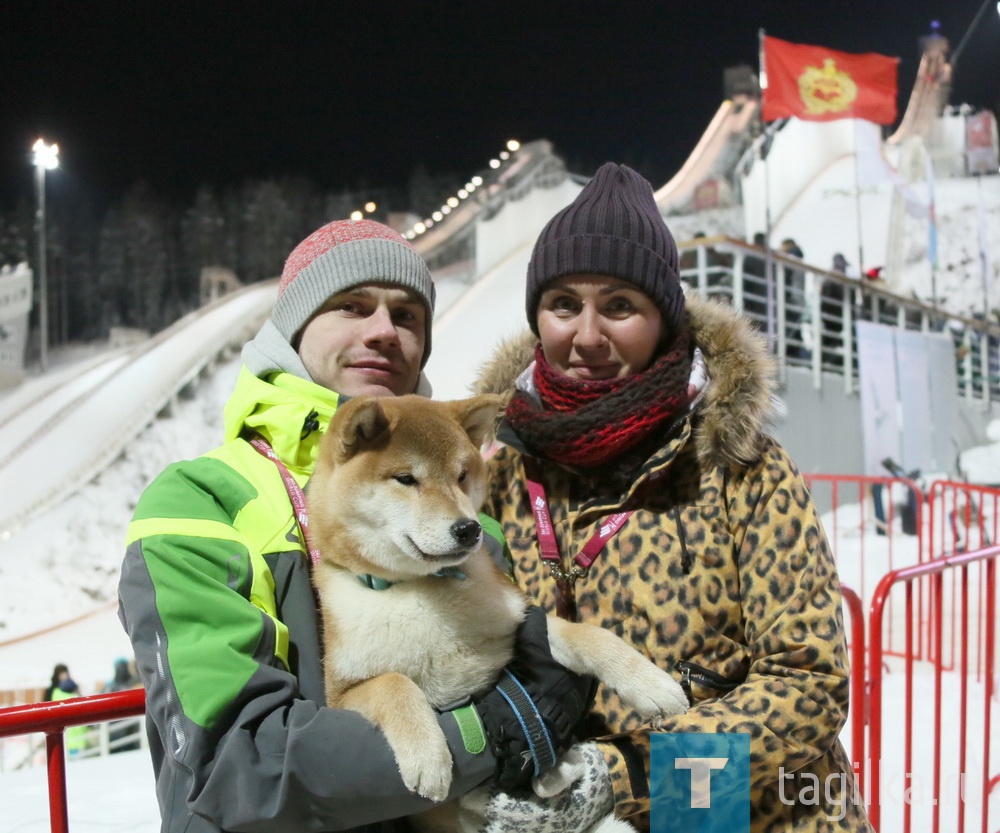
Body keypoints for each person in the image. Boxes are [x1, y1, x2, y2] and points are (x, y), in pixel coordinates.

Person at [118, 219, 595, 833]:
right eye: (351, 306)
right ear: (295, 325)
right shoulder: (200, 503)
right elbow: (240, 768)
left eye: (406, 316)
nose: (382, 332)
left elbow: (531, 674)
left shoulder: (457, 519)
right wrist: (491, 733)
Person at [474, 163, 872, 831]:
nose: (588, 335)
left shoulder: (739, 468)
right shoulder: (505, 478)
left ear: (663, 319)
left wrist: (629, 778)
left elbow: (809, 683)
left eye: (620, 305)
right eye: (564, 303)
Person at [43, 663, 90, 755]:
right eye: (61, 673)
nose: (64, 676)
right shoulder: (51, 691)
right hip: (57, 726)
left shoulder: (72, 687)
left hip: (75, 731)